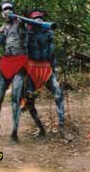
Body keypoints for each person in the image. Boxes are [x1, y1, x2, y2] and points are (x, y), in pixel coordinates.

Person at [23, 9, 73, 141]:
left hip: (46, 67)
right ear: (32, 21)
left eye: (40, 17)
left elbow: (51, 52)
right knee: (29, 100)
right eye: (36, 18)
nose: (39, 19)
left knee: (58, 93)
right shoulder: (27, 33)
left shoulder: (49, 32)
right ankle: (41, 128)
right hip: (32, 68)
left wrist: (55, 69)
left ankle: (62, 127)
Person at [0, 0, 28, 143]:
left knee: (15, 99)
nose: (8, 10)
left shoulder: (22, 24)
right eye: (5, 9)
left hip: (19, 63)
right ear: (2, 13)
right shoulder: (2, 28)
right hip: (6, 62)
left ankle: (14, 132)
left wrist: (22, 23)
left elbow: (30, 33)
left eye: (10, 8)